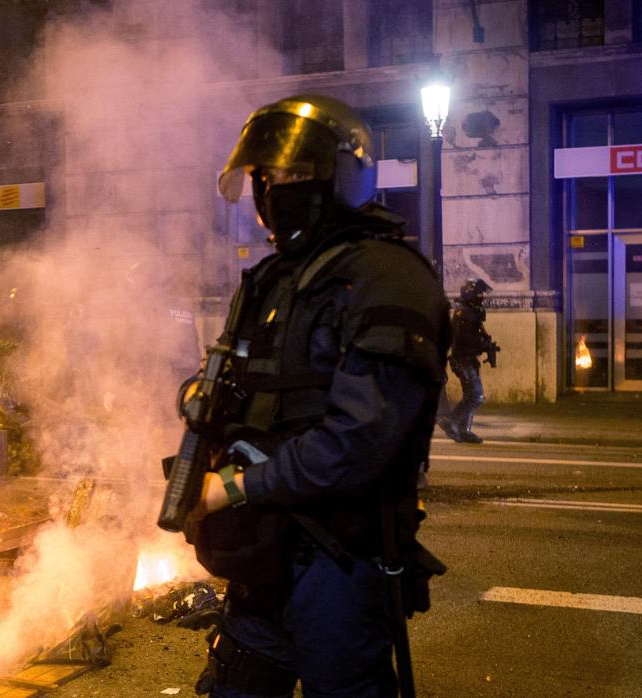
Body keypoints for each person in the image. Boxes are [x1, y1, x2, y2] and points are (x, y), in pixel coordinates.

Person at [182, 95, 450, 696]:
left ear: (341, 176)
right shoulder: (274, 277)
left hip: (340, 559)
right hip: (262, 556)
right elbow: (246, 386)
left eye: (293, 176)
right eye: (264, 177)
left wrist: (234, 487)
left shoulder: (387, 277)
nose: (274, 190)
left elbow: (359, 439)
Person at [438, 278, 497, 444]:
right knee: (476, 395)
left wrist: (487, 345)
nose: (483, 297)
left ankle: (464, 431)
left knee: (470, 394)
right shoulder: (464, 313)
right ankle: (451, 421)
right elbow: (464, 338)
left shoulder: (470, 312)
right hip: (462, 359)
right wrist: (482, 344)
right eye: (480, 294)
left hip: (467, 358)